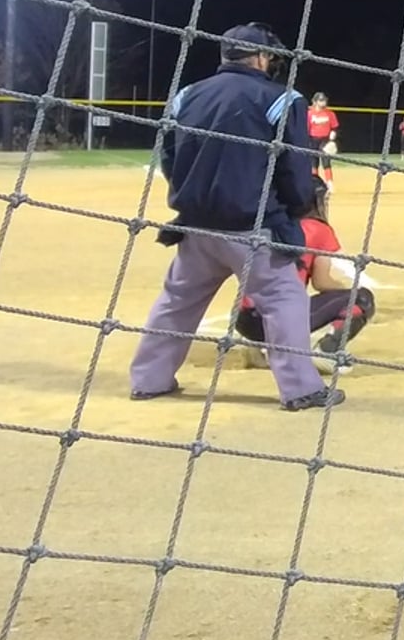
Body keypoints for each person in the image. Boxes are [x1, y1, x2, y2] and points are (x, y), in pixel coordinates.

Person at [129, 23, 344, 412]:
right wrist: (295, 208)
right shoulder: (282, 99)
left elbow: (170, 159)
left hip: (195, 225)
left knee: (177, 301)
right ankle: (301, 389)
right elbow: (294, 170)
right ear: (259, 58)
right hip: (253, 227)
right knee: (284, 299)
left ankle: (149, 380)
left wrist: (194, 198)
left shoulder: (187, 94)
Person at [229, 175, 375, 373]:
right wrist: (347, 290)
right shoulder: (319, 229)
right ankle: (328, 351)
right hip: (276, 320)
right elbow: (321, 282)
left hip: (243, 318)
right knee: (362, 299)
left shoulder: (268, 223)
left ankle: (255, 346)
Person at [306, 92, 339, 188]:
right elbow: (307, 128)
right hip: (313, 139)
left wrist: (333, 134)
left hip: (325, 139)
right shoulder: (310, 113)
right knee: (314, 162)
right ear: (315, 102)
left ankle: (329, 183)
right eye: (321, 100)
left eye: (324, 100)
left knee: (326, 161)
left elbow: (334, 127)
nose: (323, 102)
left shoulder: (330, 113)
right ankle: (315, 183)